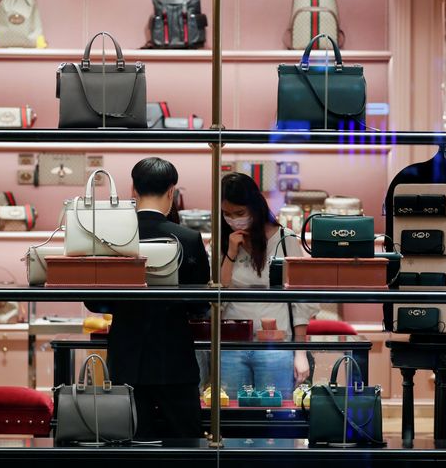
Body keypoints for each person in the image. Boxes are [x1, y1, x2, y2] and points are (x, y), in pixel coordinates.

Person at [85, 157, 210, 440]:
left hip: (126, 359)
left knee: (130, 446)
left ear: (133, 189)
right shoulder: (189, 239)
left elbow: (94, 302)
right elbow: (201, 305)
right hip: (175, 360)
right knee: (186, 446)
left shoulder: (111, 237)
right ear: (171, 192)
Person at [219, 172, 319, 397]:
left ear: (255, 207)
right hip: (232, 345)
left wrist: (300, 352)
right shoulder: (223, 242)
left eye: (239, 213)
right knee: (233, 420)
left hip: (276, 346)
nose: (233, 219)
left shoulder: (285, 239)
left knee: (275, 418)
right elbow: (218, 293)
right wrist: (231, 253)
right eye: (227, 214)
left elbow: (300, 302)